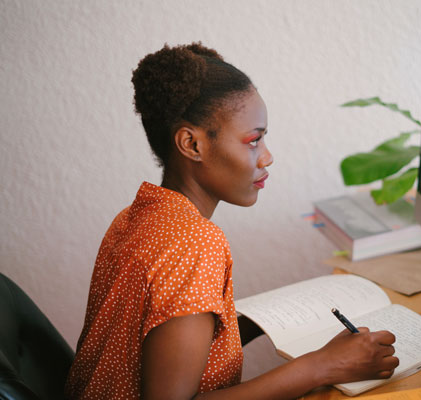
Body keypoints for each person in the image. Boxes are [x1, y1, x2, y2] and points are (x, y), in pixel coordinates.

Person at [65, 42, 399, 400]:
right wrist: (323, 365)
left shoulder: (136, 216)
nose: (267, 157)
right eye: (253, 141)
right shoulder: (195, 243)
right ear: (192, 145)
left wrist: (247, 326)